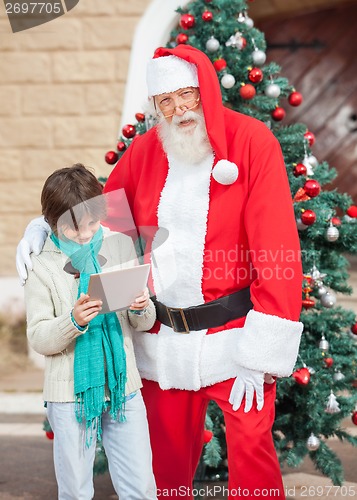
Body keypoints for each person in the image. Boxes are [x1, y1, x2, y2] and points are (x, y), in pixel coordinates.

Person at [17, 46, 303, 499]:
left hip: (233, 336)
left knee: (253, 461)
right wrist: (46, 229)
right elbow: (104, 215)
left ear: (205, 92)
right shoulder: (149, 149)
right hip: (161, 336)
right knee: (164, 472)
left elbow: (276, 248)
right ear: (155, 106)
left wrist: (263, 352)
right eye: (165, 101)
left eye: (187, 95)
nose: (179, 110)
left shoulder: (251, 142)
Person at [24, 164, 157, 500]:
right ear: (52, 221)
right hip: (70, 396)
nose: (85, 235)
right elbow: (39, 336)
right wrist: (74, 320)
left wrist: (141, 306)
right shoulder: (41, 264)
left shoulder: (119, 246)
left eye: (92, 224)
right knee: (75, 490)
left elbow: (143, 322)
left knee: (140, 485)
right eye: (73, 228)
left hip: (122, 385)